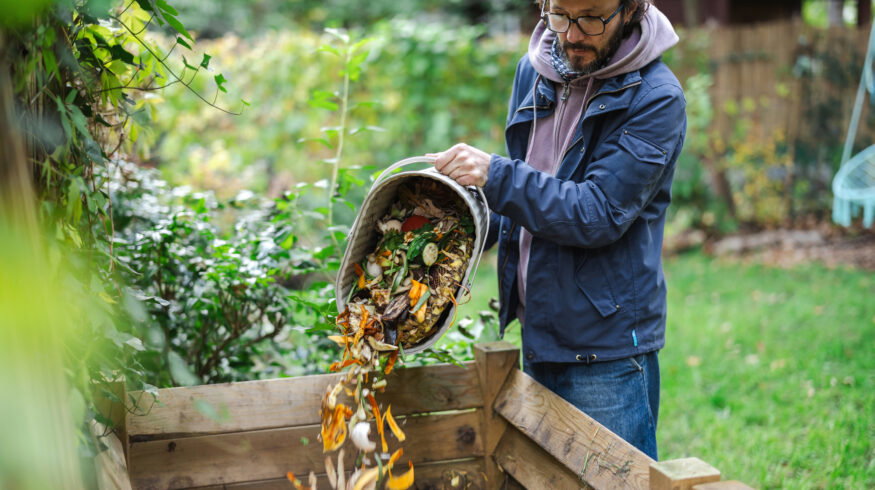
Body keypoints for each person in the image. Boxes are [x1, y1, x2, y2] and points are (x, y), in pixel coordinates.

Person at [428, 0, 685, 459]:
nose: (571, 34)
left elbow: (598, 212)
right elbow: (529, 198)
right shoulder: (536, 71)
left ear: (630, 10)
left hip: (605, 352)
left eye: (591, 17)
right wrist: (448, 225)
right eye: (559, 14)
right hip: (539, 328)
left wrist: (495, 174)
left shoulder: (656, 97)